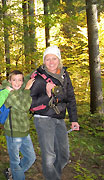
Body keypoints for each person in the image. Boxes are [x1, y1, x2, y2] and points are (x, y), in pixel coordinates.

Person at [30, 45, 80, 180]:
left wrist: (74, 119)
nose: (51, 62)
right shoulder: (38, 78)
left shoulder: (64, 74)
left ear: (59, 60)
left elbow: (70, 97)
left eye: (54, 59)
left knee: (63, 155)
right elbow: (29, 103)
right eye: (47, 59)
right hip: (43, 119)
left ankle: (54, 175)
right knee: (49, 156)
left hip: (59, 118)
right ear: (43, 61)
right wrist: (47, 95)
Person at [0, 70, 36, 180]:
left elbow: (30, 76)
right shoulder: (8, 92)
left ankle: (12, 172)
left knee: (31, 157)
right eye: (14, 80)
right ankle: (16, 174)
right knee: (15, 161)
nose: (17, 83)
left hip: (24, 132)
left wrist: (41, 67)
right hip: (13, 133)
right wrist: (27, 89)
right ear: (9, 81)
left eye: (20, 80)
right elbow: (25, 106)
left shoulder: (20, 89)